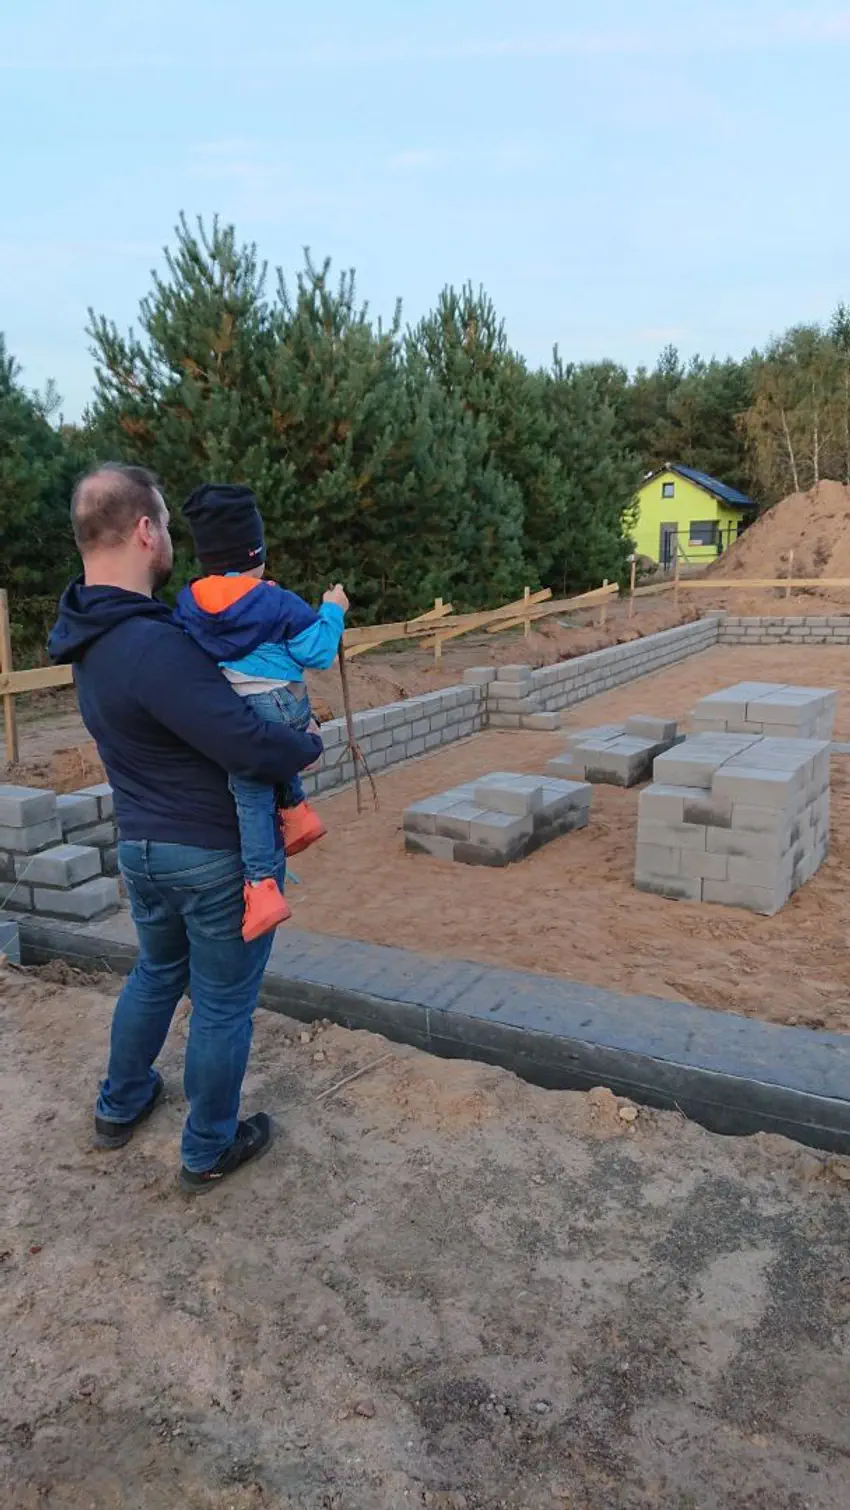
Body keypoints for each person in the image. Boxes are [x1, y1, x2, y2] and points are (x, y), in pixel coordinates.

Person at [48, 463, 322, 1194]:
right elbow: (246, 744)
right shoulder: (155, 645)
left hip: (140, 846)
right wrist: (306, 745)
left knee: (157, 973)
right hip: (209, 854)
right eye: (167, 525)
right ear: (145, 531)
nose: (172, 539)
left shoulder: (89, 636)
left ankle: (121, 1103)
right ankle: (208, 1148)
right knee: (223, 1004)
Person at [173, 483, 348, 942]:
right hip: (286, 704)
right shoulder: (275, 600)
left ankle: (264, 877)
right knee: (262, 770)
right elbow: (319, 652)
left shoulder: (189, 603)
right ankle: (286, 834)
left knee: (249, 785)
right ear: (257, 554)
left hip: (238, 709)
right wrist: (333, 611)